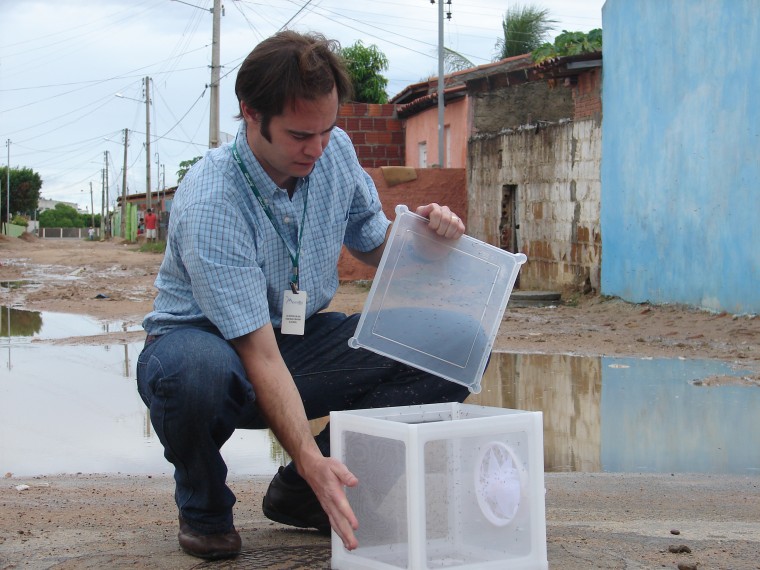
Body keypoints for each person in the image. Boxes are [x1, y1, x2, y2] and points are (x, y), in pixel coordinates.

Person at [136, 29, 469, 561]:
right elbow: (258, 355)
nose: (316, 148)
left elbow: (375, 242)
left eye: (326, 129)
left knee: (452, 348)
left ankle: (302, 494)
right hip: (208, 345)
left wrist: (427, 235)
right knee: (193, 374)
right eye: (298, 135)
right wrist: (311, 454)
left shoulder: (333, 152)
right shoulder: (212, 198)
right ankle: (204, 508)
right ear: (250, 113)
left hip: (294, 339)